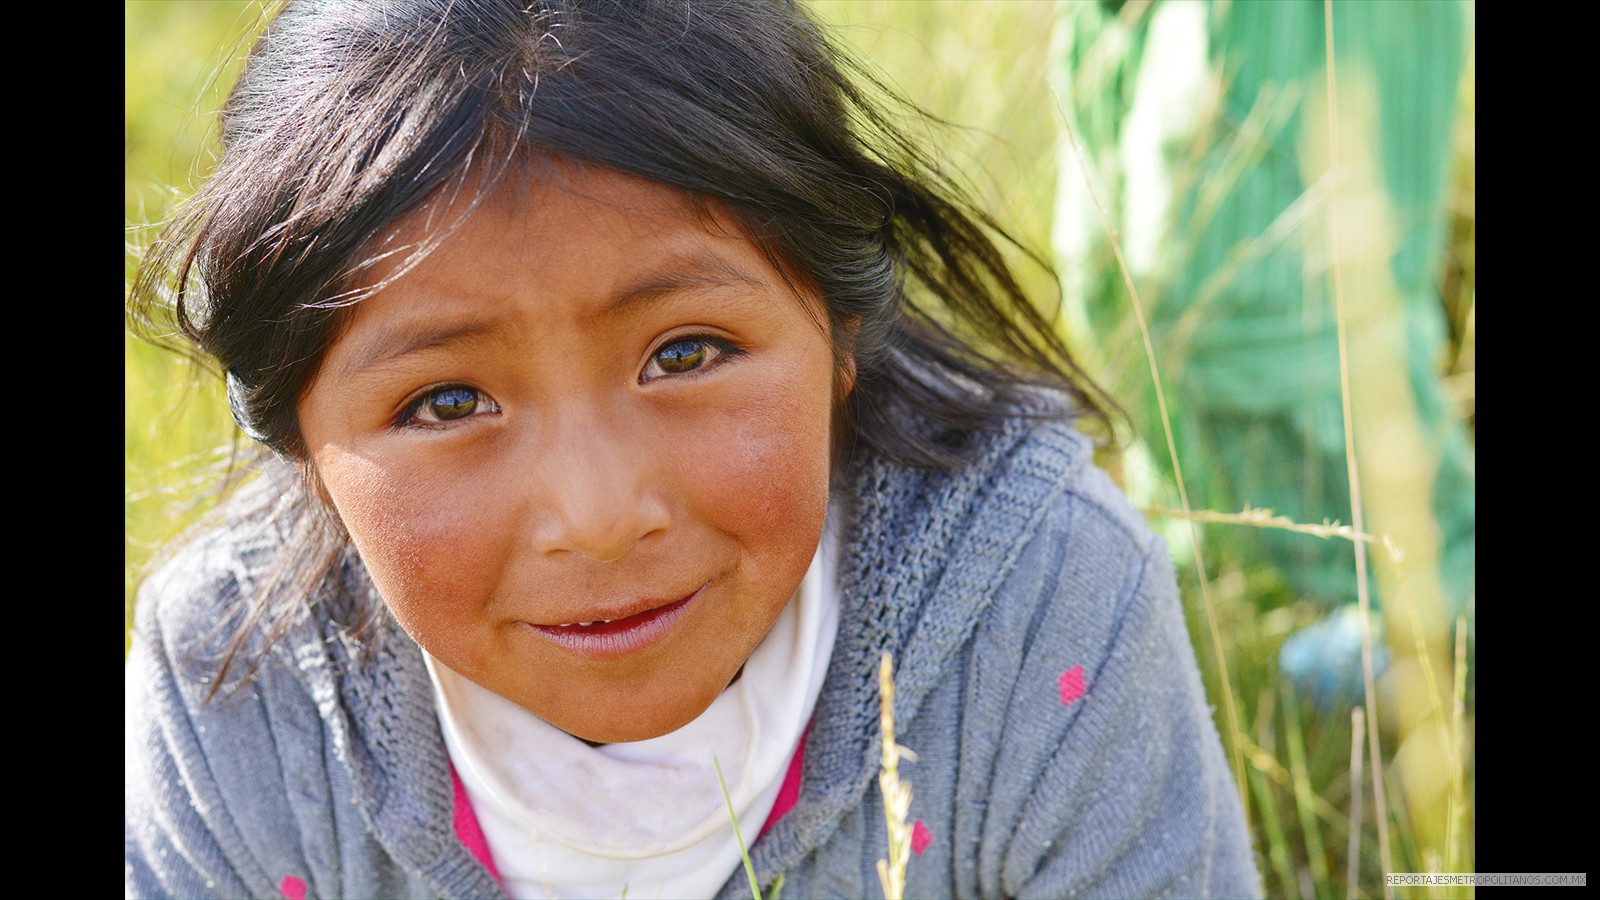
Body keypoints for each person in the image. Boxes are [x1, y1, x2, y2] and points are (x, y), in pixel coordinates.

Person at [125, 1, 1260, 897]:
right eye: (448, 400)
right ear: (298, 442)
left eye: (685, 354)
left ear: (841, 329)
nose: (601, 512)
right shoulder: (238, 699)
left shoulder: (1035, 606)